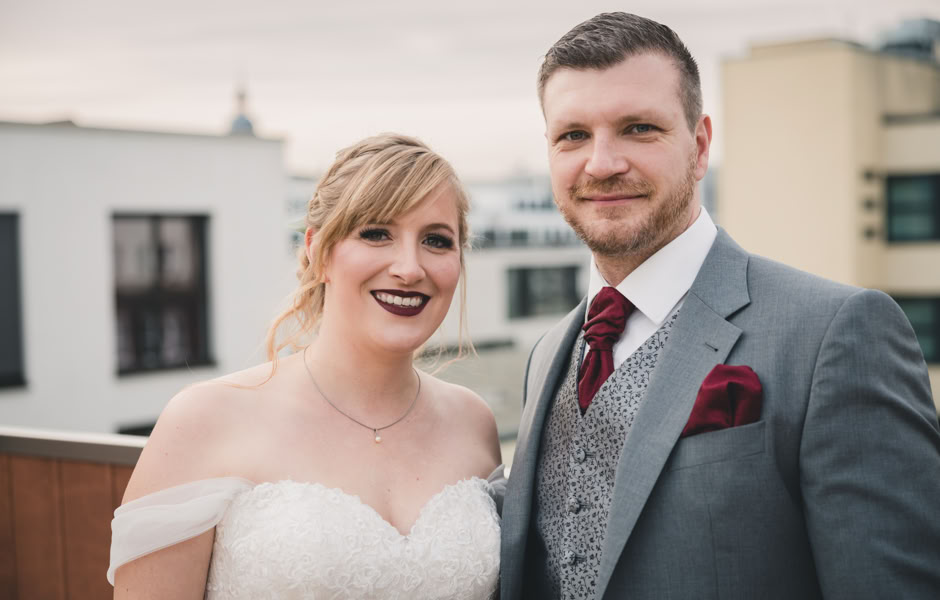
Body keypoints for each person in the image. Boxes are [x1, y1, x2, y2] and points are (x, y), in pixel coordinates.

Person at [500, 12, 940, 600]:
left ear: (700, 145)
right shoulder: (547, 355)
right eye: (573, 135)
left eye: (638, 128)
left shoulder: (836, 333)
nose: (601, 163)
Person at [108, 134, 504, 599]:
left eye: (436, 240)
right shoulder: (203, 418)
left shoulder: (474, 422)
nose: (410, 268)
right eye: (376, 233)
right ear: (318, 250)